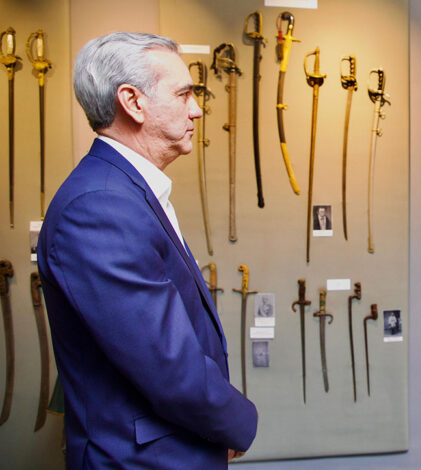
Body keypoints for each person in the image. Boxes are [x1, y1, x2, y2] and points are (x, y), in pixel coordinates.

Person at [37, 32, 257, 469]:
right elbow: (167, 363)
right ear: (133, 102)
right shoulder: (100, 205)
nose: (197, 109)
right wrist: (237, 423)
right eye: (183, 94)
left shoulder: (125, 192)